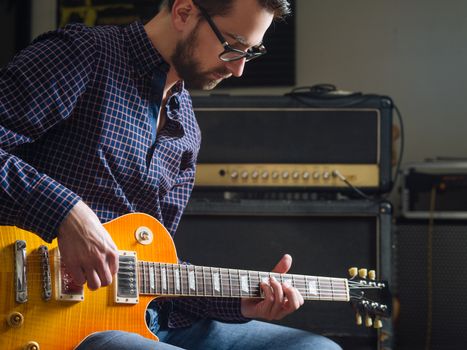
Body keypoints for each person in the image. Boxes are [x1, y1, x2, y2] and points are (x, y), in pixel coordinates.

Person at [0, 0, 341, 349]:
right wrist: (65, 212)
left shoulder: (187, 129)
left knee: (317, 348)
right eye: (232, 46)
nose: (238, 69)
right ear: (183, 12)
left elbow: (157, 267)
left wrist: (241, 303)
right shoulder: (80, 54)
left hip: (145, 319)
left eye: (250, 52)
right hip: (52, 321)